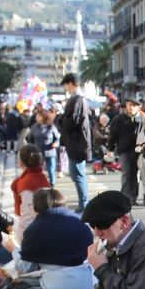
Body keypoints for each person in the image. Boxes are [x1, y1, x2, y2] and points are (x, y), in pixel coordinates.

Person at [15, 187, 96, 289]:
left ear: (36, 207)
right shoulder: (81, 222)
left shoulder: (34, 230)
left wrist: (13, 249)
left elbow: (25, 268)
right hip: (88, 288)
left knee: (15, 287)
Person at [58, 74, 93, 212]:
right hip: (76, 143)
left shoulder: (77, 100)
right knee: (76, 174)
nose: (65, 87)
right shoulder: (76, 99)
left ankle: (84, 204)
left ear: (71, 83)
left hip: (77, 143)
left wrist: (59, 120)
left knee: (78, 174)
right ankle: (83, 202)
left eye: (66, 84)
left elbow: (73, 121)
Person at [10, 144, 51, 240]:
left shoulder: (25, 183)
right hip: (45, 225)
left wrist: (23, 236)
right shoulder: (43, 178)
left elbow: (27, 214)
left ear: (21, 163)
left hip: (33, 230)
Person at [108, 98, 141, 205]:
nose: (132, 107)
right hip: (124, 150)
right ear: (126, 105)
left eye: (134, 105)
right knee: (127, 173)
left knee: (135, 174)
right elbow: (112, 135)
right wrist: (110, 149)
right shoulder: (119, 119)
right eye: (130, 104)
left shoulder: (141, 119)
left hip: (138, 150)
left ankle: (133, 197)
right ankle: (125, 197)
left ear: (138, 107)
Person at [27, 109, 61, 187]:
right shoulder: (34, 127)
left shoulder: (51, 126)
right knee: (39, 169)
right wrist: (30, 149)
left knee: (51, 169)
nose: (36, 117)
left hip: (50, 151)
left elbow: (57, 137)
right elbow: (29, 138)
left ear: (43, 117)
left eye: (38, 116)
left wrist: (55, 143)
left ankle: (52, 184)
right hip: (38, 151)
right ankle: (39, 184)